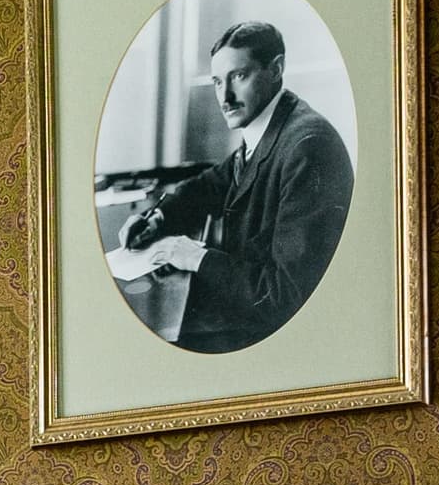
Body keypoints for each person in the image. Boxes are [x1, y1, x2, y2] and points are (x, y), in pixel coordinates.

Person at [118, 21, 355, 353]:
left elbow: (285, 295)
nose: (224, 97)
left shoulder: (307, 147)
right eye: (217, 81)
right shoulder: (273, 125)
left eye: (238, 77)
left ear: (276, 69)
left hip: (275, 341)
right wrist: (158, 216)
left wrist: (198, 258)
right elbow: (214, 183)